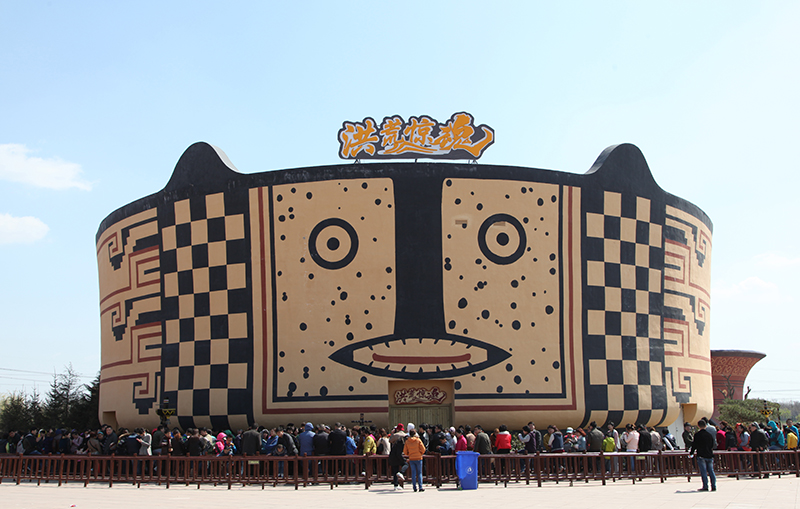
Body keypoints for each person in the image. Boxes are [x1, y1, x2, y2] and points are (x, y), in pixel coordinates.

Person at [689, 419, 716, 492]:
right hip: (709, 455)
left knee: (703, 472)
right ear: (705, 426)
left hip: (701, 455)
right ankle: (713, 486)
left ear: (698, 426)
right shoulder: (709, 435)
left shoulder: (697, 435)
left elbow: (694, 445)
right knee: (711, 471)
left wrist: (691, 453)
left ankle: (705, 486)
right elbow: (712, 445)